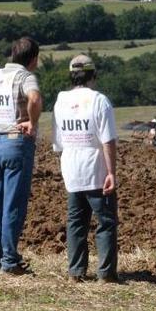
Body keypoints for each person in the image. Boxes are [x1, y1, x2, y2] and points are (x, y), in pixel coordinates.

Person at [51, 54, 119, 283]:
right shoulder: (99, 100)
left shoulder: (60, 101)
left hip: (71, 170)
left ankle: (76, 272)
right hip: (96, 171)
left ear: (72, 76)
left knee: (76, 222)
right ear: (93, 75)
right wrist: (111, 173)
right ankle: (105, 274)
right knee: (106, 222)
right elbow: (107, 140)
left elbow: (58, 142)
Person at [0, 37, 42, 275]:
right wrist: (32, 123)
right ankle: (9, 261)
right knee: (14, 205)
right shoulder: (26, 77)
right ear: (33, 59)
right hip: (16, 143)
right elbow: (34, 98)